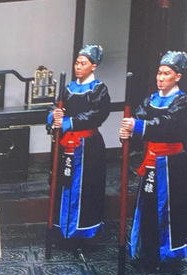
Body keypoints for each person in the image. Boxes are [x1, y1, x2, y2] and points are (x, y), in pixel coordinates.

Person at [119, 51, 187, 273]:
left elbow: (168, 124)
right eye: (159, 73)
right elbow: (138, 119)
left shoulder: (183, 101)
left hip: (172, 164)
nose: (161, 78)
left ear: (177, 76)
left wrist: (137, 126)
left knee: (169, 208)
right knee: (148, 206)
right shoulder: (150, 99)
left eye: (167, 73)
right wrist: (127, 132)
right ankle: (147, 251)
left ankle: (168, 254)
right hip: (152, 160)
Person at [48, 44, 111, 248]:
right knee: (64, 183)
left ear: (93, 66)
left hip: (88, 146)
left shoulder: (99, 89)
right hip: (66, 145)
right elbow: (57, 107)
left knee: (86, 187)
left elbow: (98, 114)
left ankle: (84, 232)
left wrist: (69, 122)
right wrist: (54, 115)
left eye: (83, 63)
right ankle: (62, 229)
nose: (78, 66)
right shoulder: (68, 89)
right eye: (77, 63)